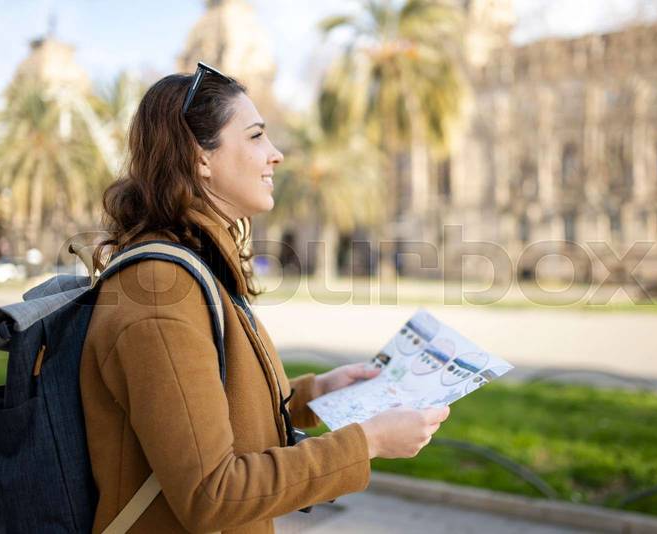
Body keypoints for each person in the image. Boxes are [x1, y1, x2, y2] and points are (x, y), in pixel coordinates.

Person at [80, 63, 450, 534]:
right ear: (201, 158)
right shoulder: (159, 295)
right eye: (256, 136)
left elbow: (208, 410)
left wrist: (316, 395)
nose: (275, 155)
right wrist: (368, 442)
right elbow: (211, 494)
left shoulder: (196, 267)